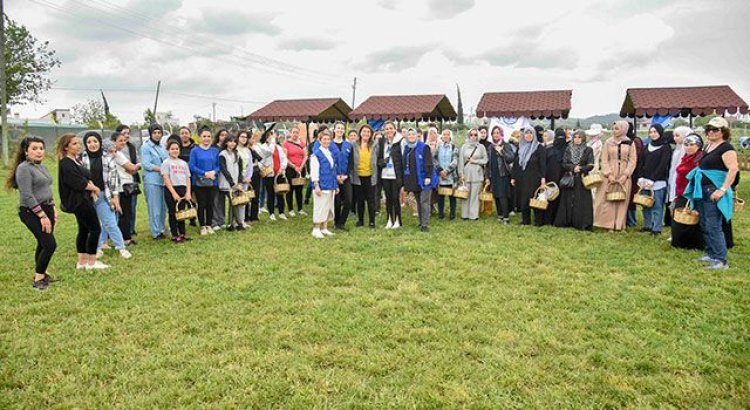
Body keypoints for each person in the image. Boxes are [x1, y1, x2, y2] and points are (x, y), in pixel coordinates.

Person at [683, 117, 739, 270]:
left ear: (724, 132)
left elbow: (733, 170)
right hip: (703, 191)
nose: (711, 132)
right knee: (705, 224)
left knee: (714, 226)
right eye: (709, 129)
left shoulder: (727, 148)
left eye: (715, 129)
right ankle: (711, 253)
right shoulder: (709, 146)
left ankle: (721, 260)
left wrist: (722, 190)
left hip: (713, 191)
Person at [7, 136, 58, 289]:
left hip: (47, 208)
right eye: (34, 148)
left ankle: (42, 274)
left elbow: (47, 189)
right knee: (50, 244)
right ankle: (38, 280)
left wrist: (53, 207)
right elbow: (27, 195)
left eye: (41, 148)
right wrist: (42, 215)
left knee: (43, 243)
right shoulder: (23, 168)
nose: (39, 152)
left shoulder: (42, 167)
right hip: (31, 211)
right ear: (26, 151)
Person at [56, 133, 108, 270]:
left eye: (78, 143)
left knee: (84, 229)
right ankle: (92, 262)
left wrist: (90, 185)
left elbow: (85, 176)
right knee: (95, 228)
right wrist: (94, 188)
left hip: (85, 199)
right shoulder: (66, 163)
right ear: (66, 147)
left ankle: (82, 261)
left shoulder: (76, 160)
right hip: (79, 201)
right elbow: (78, 182)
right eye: (74, 144)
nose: (78, 146)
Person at [80, 132, 132, 259]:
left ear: (100, 142)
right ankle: (96, 248)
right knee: (93, 225)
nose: (92, 144)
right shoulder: (81, 158)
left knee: (110, 223)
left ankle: (121, 248)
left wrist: (115, 197)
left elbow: (113, 180)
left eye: (95, 141)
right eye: (89, 142)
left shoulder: (107, 158)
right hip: (87, 196)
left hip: (104, 195)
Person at [593, 121, 638, 231]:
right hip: (610, 174)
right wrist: (608, 174)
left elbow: (633, 160)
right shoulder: (608, 142)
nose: (614, 130)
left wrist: (626, 175)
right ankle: (607, 224)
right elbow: (604, 159)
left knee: (621, 199)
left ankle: (619, 225)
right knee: (607, 199)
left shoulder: (630, 142)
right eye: (613, 128)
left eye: (617, 128)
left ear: (623, 129)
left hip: (623, 174)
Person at [554, 130, 595, 230]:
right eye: (575, 137)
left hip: (582, 179)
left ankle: (581, 223)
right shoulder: (569, 149)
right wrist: (572, 168)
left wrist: (580, 169)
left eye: (579, 137)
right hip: (570, 177)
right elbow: (564, 163)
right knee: (567, 200)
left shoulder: (588, 150)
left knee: (581, 201)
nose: (577, 139)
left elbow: (591, 164)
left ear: (583, 138)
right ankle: (567, 221)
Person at [637, 124, 673, 236]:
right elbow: (641, 162)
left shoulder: (666, 147)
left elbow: (663, 165)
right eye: (651, 132)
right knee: (645, 204)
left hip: (658, 181)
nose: (652, 134)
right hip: (645, 182)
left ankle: (656, 228)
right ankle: (648, 225)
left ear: (660, 133)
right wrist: (640, 177)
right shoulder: (646, 146)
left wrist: (653, 179)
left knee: (657, 206)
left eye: (655, 132)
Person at [671, 134, 704, 250]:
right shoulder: (685, 157)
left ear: (698, 146)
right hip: (681, 192)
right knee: (680, 218)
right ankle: (680, 242)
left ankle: (693, 244)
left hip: (693, 192)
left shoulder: (700, 158)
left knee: (693, 218)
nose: (688, 147)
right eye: (686, 145)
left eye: (691, 145)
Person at [402, 129, 437, 231]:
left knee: (424, 201)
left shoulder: (424, 147)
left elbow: (429, 162)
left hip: (425, 179)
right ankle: (421, 222)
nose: (411, 136)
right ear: (407, 137)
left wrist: (428, 177)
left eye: (413, 134)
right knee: (418, 201)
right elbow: (405, 164)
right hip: (414, 180)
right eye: (409, 134)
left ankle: (425, 225)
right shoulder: (407, 148)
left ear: (417, 135)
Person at [511, 127, 546, 226]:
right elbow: (516, 163)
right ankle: (525, 220)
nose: (528, 135)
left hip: (534, 178)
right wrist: (513, 177)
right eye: (526, 133)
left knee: (535, 198)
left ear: (534, 135)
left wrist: (543, 178)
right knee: (523, 199)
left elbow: (543, 164)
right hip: (521, 178)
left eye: (531, 133)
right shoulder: (520, 146)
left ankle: (538, 221)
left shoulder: (539, 148)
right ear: (523, 135)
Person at [189, 127, 220, 235]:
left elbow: (218, 165)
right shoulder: (195, 151)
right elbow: (192, 166)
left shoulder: (215, 151)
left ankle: (209, 225)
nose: (206, 138)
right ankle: (202, 226)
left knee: (210, 204)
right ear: (199, 137)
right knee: (201, 204)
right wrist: (204, 173)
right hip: (199, 182)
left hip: (212, 182)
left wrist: (213, 172)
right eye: (204, 136)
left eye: (208, 136)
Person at [111, 132, 140, 247]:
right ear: (114, 142)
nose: (123, 143)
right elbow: (132, 168)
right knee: (125, 213)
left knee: (122, 213)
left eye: (124, 140)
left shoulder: (115, 154)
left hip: (121, 185)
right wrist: (137, 166)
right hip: (123, 187)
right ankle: (125, 238)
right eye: (120, 141)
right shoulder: (117, 154)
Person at [141, 123, 169, 239]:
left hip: (163, 180)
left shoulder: (162, 147)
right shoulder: (146, 147)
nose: (157, 135)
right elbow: (146, 164)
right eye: (155, 133)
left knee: (163, 207)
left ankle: (161, 228)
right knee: (155, 207)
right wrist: (162, 169)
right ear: (150, 134)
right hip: (152, 181)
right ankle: (155, 231)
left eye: (159, 133)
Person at [162, 140, 192, 241]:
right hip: (171, 189)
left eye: (177, 149)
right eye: (172, 149)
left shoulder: (183, 163)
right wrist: (173, 193)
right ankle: (175, 234)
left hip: (182, 188)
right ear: (168, 150)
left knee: (181, 212)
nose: (175, 150)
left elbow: (188, 178)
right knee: (172, 212)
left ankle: (182, 233)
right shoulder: (166, 163)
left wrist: (188, 192)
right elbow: (166, 178)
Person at [310, 129, 338, 238]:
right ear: (320, 140)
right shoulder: (316, 154)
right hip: (321, 185)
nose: (326, 141)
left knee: (328, 206)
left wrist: (335, 186)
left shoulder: (330, 153)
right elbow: (314, 171)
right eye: (324, 139)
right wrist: (316, 185)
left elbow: (333, 170)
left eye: (328, 139)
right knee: (319, 206)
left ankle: (324, 228)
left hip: (330, 184)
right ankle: (316, 228)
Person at [486, 126, 515, 224]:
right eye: (494, 133)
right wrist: (487, 177)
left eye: (497, 133)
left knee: (503, 196)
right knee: (496, 195)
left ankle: (506, 217)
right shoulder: (490, 147)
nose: (496, 135)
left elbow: (511, 158)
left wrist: (501, 151)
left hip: (503, 174)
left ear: (501, 134)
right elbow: (488, 163)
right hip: (493, 174)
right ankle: (500, 215)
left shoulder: (506, 145)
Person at [377, 121, 404, 229]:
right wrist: (382, 162)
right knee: (388, 198)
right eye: (386, 129)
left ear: (395, 129)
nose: (389, 130)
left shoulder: (400, 141)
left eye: (390, 128)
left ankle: (398, 220)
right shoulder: (382, 142)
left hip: (395, 175)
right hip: (385, 175)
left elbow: (402, 160)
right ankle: (389, 219)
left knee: (395, 198)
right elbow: (378, 158)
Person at [458, 128, 489, 220]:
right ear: (468, 135)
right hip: (466, 174)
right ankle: (465, 215)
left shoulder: (481, 147)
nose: (473, 136)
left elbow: (485, 160)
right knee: (465, 195)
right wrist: (461, 174)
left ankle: (474, 215)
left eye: (475, 135)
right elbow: (460, 161)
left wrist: (475, 161)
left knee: (475, 196)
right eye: (471, 134)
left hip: (477, 174)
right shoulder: (464, 147)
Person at [218, 134, 248, 231]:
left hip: (236, 183)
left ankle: (235, 223)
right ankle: (233, 224)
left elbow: (240, 169)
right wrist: (232, 183)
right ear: (226, 142)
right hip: (227, 183)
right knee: (232, 202)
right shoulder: (222, 154)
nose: (232, 143)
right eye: (230, 141)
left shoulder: (237, 154)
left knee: (235, 203)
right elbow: (224, 170)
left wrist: (239, 182)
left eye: (234, 141)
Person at [258, 129, 288, 221]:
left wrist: (282, 168)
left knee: (280, 193)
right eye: (270, 136)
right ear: (266, 138)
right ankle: (271, 213)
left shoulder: (278, 147)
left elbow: (284, 158)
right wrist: (264, 168)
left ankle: (281, 212)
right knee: (270, 193)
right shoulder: (262, 147)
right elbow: (260, 160)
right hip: (269, 174)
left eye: (273, 136)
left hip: (279, 173)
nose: (272, 137)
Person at [351, 124, 378, 228]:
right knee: (360, 200)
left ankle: (372, 221)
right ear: (360, 133)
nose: (366, 133)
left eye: (368, 132)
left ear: (371, 134)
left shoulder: (375, 145)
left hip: (370, 177)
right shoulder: (354, 145)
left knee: (371, 200)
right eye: (364, 131)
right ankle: (361, 220)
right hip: (358, 177)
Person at [332, 121, 354, 230]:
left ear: (344, 130)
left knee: (348, 201)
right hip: (334, 178)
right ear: (334, 130)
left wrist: (346, 175)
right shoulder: (329, 144)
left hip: (346, 177)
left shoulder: (348, 145)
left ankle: (342, 222)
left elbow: (351, 162)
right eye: (338, 128)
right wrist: (336, 176)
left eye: (342, 128)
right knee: (336, 202)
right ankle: (336, 223)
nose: (340, 130)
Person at [283, 125, 308, 217]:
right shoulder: (286, 144)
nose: (295, 134)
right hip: (290, 169)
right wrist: (294, 166)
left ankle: (300, 208)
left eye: (297, 132)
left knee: (299, 190)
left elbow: (305, 155)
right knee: (290, 189)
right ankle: (290, 209)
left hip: (301, 169)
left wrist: (301, 166)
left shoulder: (302, 144)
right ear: (290, 133)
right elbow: (285, 157)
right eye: (294, 132)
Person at [542, 129, 566, 225]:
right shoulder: (549, 149)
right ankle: (548, 219)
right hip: (551, 177)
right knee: (550, 197)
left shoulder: (567, 150)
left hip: (561, 178)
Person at [435, 129, 459, 220]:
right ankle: (441, 214)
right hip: (440, 175)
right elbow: (434, 159)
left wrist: (447, 171)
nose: (445, 136)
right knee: (440, 196)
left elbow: (455, 160)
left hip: (451, 175)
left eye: (447, 134)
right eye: (444, 134)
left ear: (450, 136)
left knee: (452, 196)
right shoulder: (438, 147)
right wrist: (440, 171)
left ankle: (452, 214)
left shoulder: (454, 147)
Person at [210, 129, 229, 229]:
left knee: (222, 200)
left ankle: (221, 221)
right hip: (215, 176)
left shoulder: (228, 148)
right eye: (222, 135)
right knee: (215, 200)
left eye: (226, 135)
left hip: (225, 178)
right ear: (218, 136)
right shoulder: (213, 148)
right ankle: (214, 222)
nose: (224, 137)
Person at [248, 129, 264, 222]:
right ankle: (246, 215)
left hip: (256, 170)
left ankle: (254, 215)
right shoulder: (245, 149)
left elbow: (260, 158)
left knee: (256, 193)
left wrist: (253, 149)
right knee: (247, 193)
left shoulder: (255, 147)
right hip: (248, 172)